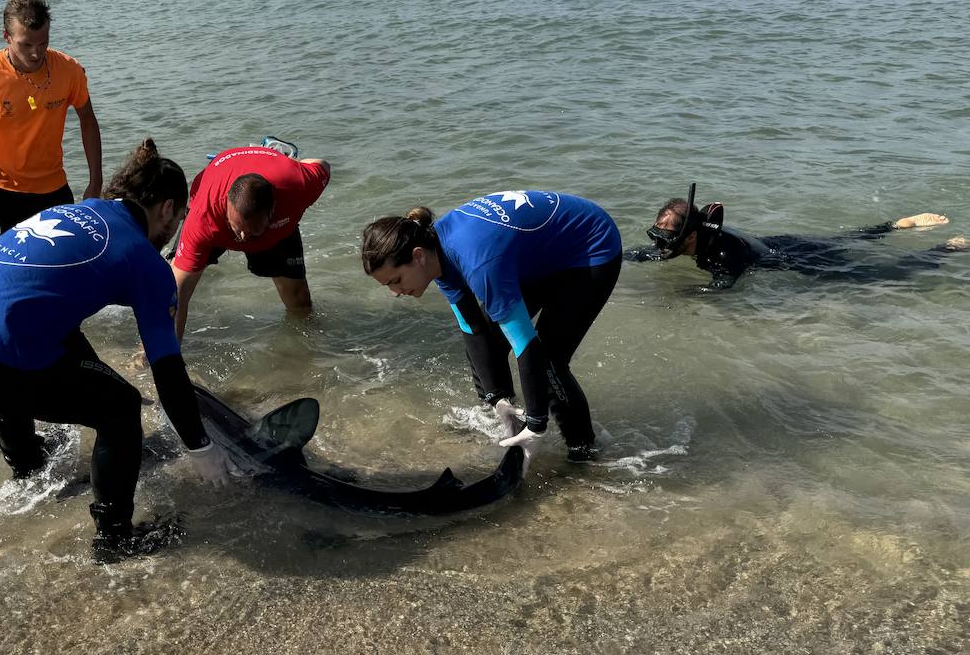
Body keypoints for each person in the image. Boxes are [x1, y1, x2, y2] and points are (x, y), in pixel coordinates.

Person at [0, 140, 231, 564]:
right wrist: (199, 446)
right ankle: (115, 539)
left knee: (33, 344)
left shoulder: (74, 211)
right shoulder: (144, 258)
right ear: (167, 208)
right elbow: (167, 367)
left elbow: (39, 309)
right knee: (120, 407)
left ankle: (27, 471)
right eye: (177, 219)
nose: (174, 229)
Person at [361, 191, 623, 465]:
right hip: (539, 254)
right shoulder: (434, 254)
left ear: (417, 257)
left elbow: (526, 344)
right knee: (492, 338)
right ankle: (512, 420)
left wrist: (537, 426)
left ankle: (584, 454)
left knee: (549, 362)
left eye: (396, 280)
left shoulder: (478, 263)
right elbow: (473, 329)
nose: (395, 292)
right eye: (387, 285)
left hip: (590, 246)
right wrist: (497, 399)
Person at [632, 183, 966, 290]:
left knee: (873, 276)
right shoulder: (700, 236)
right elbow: (647, 253)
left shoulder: (722, 255)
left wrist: (686, 295)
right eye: (658, 238)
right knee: (845, 238)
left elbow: (721, 288)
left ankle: (946, 249)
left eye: (667, 240)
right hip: (778, 240)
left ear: (690, 235)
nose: (660, 247)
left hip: (791, 258)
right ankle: (895, 225)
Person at [0, 0, 103, 235]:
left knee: (64, 263)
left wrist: (95, 182)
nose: (36, 53)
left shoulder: (69, 70)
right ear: (7, 37)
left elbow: (88, 122)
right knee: (4, 267)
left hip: (53, 187)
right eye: (26, 44)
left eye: (43, 42)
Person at [170, 144, 331, 343]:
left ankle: (305, 353)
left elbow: (322, 165)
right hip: (214, 210)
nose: (243, 237)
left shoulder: (298, 186)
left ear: (272, 211)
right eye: (238, 228)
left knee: (300, 303)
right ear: (226, 204)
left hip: (277, 207)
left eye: (252, 231)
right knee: (172, 285)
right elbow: (177, 294)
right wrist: (163, 356)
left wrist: (293, 164)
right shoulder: (204, 217)